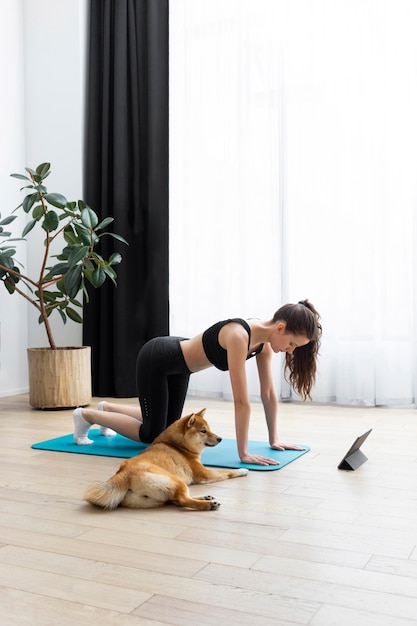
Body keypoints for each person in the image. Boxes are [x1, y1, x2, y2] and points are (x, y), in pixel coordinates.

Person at [73, 299, 322, 466]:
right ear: (280, 328)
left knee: (170, 429)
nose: (290, 351)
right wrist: (243, 454)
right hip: (158, 359)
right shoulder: (239, 335)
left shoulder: (264, 345)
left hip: (180, 368)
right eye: (292, 344)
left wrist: (273, 439)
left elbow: (268, 394)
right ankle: (87, 416)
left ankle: (109, 409)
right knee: (152, 434)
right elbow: (241, 401)